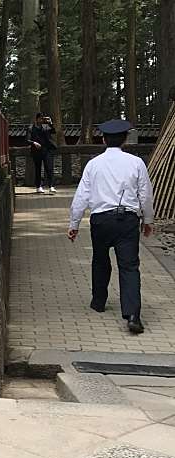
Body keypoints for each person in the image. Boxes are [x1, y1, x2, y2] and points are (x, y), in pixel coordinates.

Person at [68, 119, 154, 334]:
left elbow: (82, 196)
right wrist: (148, 220)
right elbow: (145, 195)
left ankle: (98, 301)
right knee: (129, 266)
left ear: (104, 139)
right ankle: (133, 314)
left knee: (100, 259)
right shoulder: (136, 163)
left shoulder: (94, 164)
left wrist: (74, 223)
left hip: (101, 220)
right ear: (125, 139)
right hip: (127, 220)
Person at [27, 112, 58, 194]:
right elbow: (27, 139)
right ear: (36, 119)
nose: (41, 120)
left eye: (42, 119)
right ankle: (38, 186)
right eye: (40, 118)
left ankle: (51, 186)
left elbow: (54, 131)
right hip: (36, 151)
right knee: (38, 169)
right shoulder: (31, 128)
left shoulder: (46, 126)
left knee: (49, 168)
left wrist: (50, 122)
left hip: (47, 150)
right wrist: (34, 143)